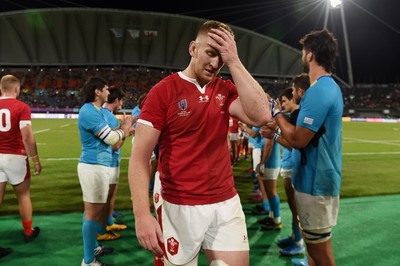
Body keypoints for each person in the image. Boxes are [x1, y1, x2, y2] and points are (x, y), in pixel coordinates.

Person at [128, 20, 272, 266]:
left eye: (222, 57)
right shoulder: (162, 92)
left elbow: (262, 116)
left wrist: (234, 61)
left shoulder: (224, 89)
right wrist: (142, 214)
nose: (216, 63)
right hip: (179, 205)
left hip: (225, 201)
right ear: (193, 48)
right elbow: (139, 157)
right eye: (210, 53)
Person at [270, 29, 343, 266]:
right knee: (316, 248)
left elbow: (298, 139)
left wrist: (276, 114)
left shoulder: (319, 90)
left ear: (310, 55)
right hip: (316, 179)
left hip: (316, 182)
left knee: (321, 254)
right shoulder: (327, 87)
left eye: (304, 50)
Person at [78, 76, 134, 266]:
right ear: (97, 91)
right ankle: (88, 261)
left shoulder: (97, 111)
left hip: (99, 165)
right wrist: (124, 131)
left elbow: (110, 135)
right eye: (106, 89)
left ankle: (92, 248)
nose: (109, 92)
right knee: (92, 213)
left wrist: (122, 128)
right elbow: (110, 139)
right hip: (93, 165)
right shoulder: (88, 111)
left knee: (94, 212)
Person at [0, 74, 41, 243]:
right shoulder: (22, 107)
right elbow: (28, 138)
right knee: (23, 196)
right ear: (17, 89)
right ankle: (28, 232)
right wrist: (36, 159)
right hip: (16, 156)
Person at [96, 86, 129, 242]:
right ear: (115, 100)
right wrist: (126, 133)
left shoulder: (105, 115)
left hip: (110, 161)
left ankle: (108, 223)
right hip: (109, 162)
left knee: (110, 196)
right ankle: (102, 228)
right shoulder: (108, 116)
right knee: (106, 197)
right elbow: (115, 145)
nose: (122, 105)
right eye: (121, 101)